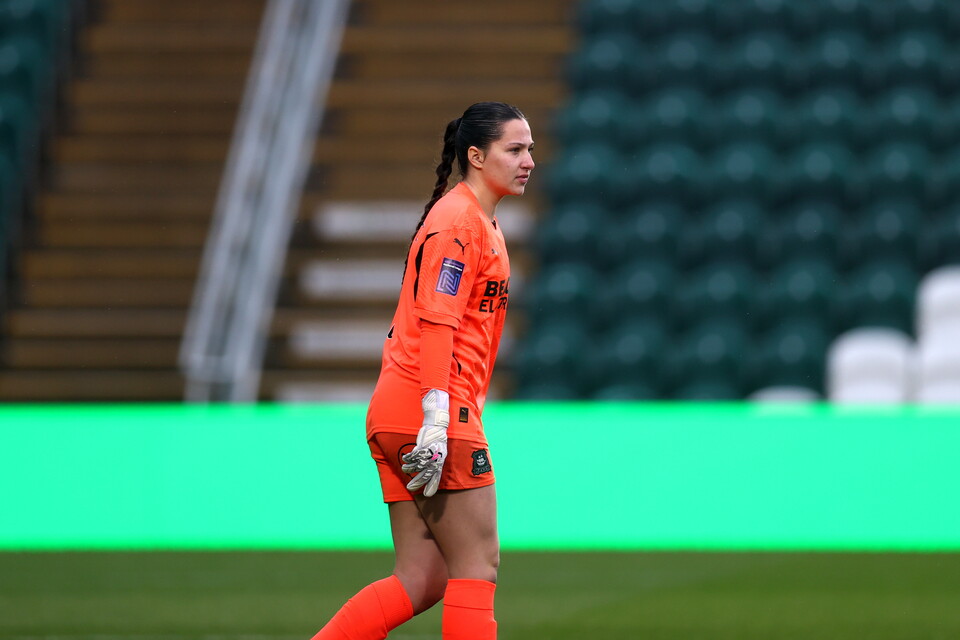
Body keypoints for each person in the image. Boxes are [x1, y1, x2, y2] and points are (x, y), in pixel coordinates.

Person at [310, 101, 535, 640]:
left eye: (530, 148)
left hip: (396, 407)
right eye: (516, 149)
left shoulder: (471, 218)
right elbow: (438, 322)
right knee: (477, 567)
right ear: (476, 156)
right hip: (434, 406)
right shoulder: (460, 222)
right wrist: (436, 418)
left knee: (421, 577)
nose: (530, 160)